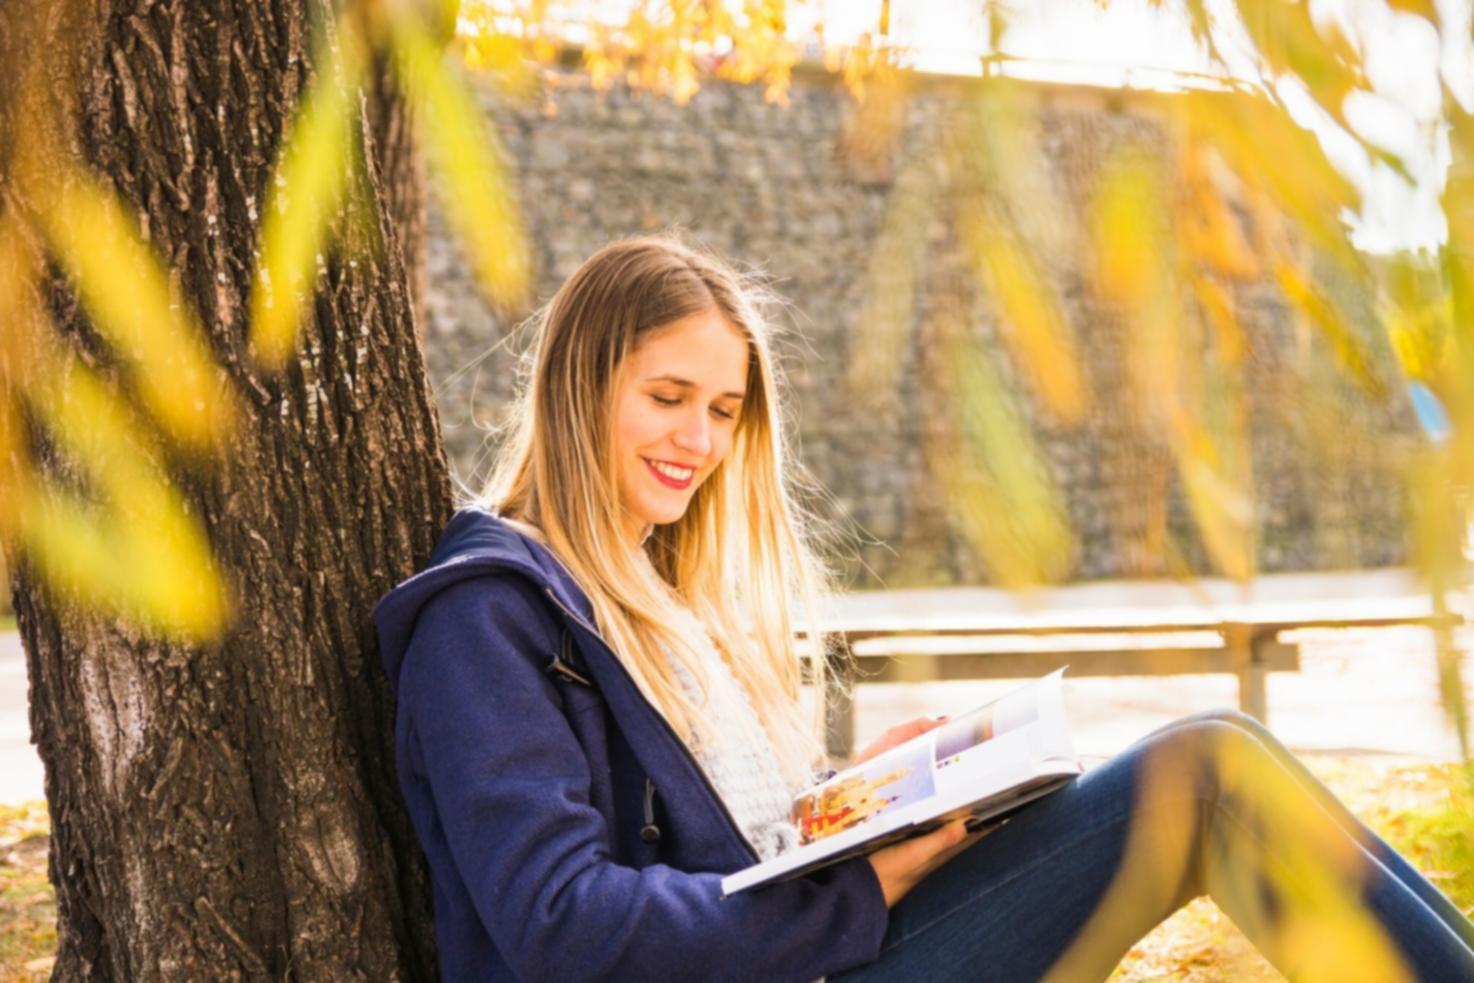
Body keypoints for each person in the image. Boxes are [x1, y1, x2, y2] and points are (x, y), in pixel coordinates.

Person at [374, 235, 1474, 982]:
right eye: (666, 398)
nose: (697, 443)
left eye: (720, 410)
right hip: (818, 956)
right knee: (1205, 770)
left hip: (833, 944)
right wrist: (862, 880)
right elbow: (560, 923)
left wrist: (853, 799)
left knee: (1220, 761)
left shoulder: (652, 589)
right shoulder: (488, 617)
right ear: (579, 381)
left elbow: (721, 834)